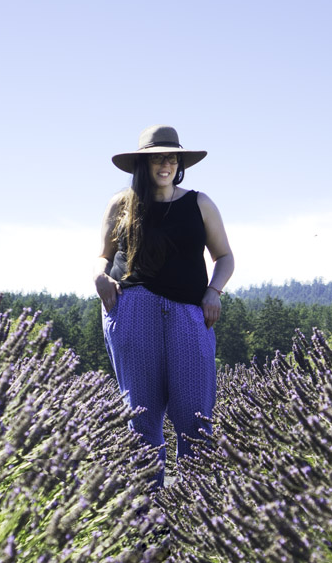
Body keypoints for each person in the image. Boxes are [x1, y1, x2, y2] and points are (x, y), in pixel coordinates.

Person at [94, 125, 234, 489]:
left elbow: (225, 257)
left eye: (172, 157)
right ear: (143, 164)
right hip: (133, 309)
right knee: (141, 417)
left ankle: (197, 510)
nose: (166, 163)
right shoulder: (121, 204)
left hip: (189, 312)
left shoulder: (200, 203)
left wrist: (214, 291)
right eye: (158, 156)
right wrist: (99, 277)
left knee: (194, 416)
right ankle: (146, 516)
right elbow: (103, 256)